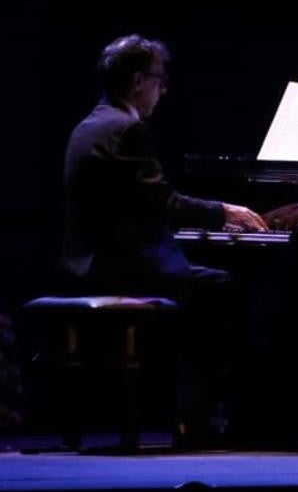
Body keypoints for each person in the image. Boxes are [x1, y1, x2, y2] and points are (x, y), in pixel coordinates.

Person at [57, 33, 268, 447]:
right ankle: (209, 415)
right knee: (221, 288)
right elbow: (162, 201)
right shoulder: (128, 130)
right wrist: (225, 211)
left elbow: (135, 204)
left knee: (203, 282)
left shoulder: (90, 124)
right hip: (121, 268)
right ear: (138, 81)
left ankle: (197, 412)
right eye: (159, 79)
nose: (163, 89)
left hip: (87, 264)